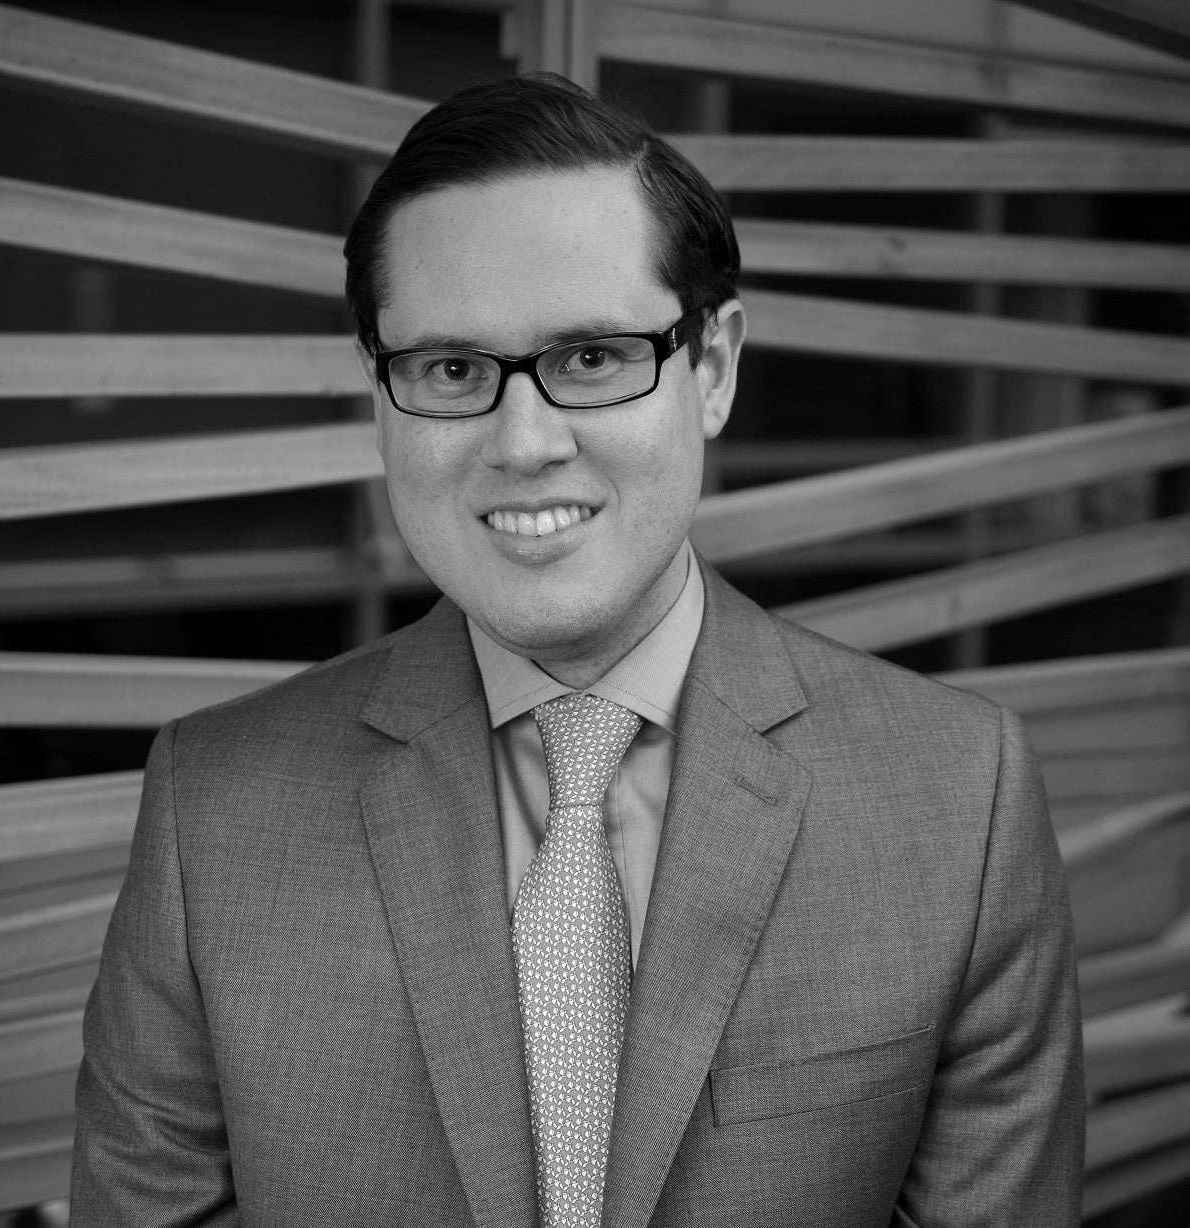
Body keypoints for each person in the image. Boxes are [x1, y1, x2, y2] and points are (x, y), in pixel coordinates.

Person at [71, 73, 1084, 1227]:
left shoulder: (959, 798)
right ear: (382, 398)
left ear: (712, 368)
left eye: (593, 357)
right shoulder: (213, 812)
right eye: (452, 369)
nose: (524, 441)